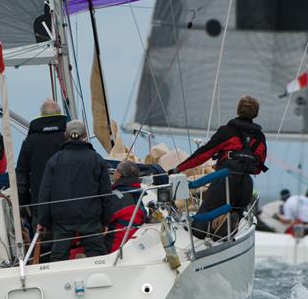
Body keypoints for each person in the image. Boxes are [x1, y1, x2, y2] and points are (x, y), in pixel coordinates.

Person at [170, 95, 267, 239]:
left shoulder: (227, 131)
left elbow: (203, 154)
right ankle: (224, 229)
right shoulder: (260, 138)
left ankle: (206, 233)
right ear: (256, 113)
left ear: (238, 110)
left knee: (200, 224)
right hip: (246, 184)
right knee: (233, 218)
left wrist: (179, 168)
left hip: (225, 180)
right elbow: (258, 167)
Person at [37, 120, 112, 262]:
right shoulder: (97, 159)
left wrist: (43, 220)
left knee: (58, 257)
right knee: (97, 256)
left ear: (66, 136)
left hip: (62, 218)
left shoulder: (54, 160)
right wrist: (106, 221)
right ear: (85, 136)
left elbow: (45, 193)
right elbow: (106, 193)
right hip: (90, 217)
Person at [16, 100, 67, 224]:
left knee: (42, 242)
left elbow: (21, 175)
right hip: (67, 205)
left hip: (39, 205)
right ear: (59, 114)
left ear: (41, 115)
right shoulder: (67, 138)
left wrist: (22, 203)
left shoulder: (30, 141)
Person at [106, 160, 148, 253]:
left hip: (113, 249)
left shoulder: (115, 198)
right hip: (130, 247)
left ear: (118, 175)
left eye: (115, 170)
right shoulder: (137, 195)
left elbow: (100, 221)